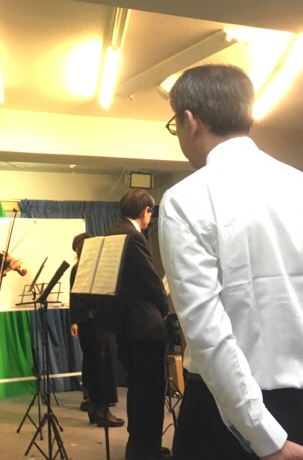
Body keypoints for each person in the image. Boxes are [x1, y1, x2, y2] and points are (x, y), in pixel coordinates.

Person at [158, 64, 303, 460]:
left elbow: (208, 333)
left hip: (225, 417)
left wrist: (266, 439)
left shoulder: (186, 200)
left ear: (190, 120)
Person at [102, 188, 170, 459]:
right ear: (145, 211)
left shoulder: (111, 232)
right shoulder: (133, 236)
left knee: (137, 389)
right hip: (144, 326)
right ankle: (146, 450)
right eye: (150, 212)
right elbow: (150, 279)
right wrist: (165, 306)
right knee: (150, 392)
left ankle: (139, 445)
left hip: (124, 325)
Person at [69, 232, 123, 427]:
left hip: (85, 323)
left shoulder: (77, 268)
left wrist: (75, 320)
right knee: (104, 364)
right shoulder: (96, 268)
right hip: (99, 321)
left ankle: (93, 407)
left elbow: (73, 297)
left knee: (91, 363)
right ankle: (103, 411)